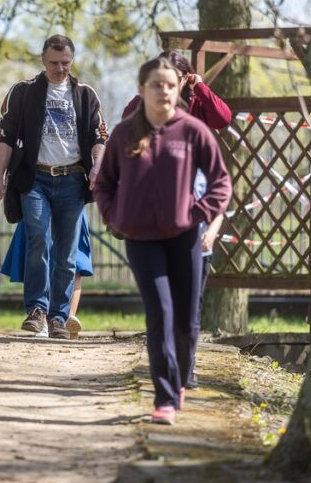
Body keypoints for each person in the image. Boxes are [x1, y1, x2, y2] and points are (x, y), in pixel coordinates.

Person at [94, 56, 232, 425]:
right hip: (141, 238)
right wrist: (114, 215)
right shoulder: (125, 133)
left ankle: (181, 378)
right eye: (156, 84)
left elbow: (221, 181)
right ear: (142, 90)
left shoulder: (192, 131)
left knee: (185, 321)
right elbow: (104, 183)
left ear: (179, 88)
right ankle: (165, 397)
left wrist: (199, 214)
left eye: (170, 84)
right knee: (160, 314)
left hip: (185, 235)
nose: (164, 91)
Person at [0, 35, 108, 339]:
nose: (60, 68)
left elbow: (98, 138)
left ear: (72, 60)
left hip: (72, 180)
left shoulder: (85, 95)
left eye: (65, 63)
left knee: (67, 253)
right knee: (37, 238)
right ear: (43, 60)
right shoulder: (24, 92)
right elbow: (6, 139)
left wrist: (97, 168)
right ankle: (37, 309)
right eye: (54, 63)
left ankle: (59, 316)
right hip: (34, 179)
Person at [122, 50, 232, 386]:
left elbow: (223, 118)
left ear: (184, 79)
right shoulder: (144, 107)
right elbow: (124, 129)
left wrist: (200, 88)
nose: (165, 88)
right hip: (151, 216)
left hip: (192, 214)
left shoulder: (196, 118)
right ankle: (168, 373)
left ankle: (186, 366)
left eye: (173, 79)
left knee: (189, 303)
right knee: (161, 304)